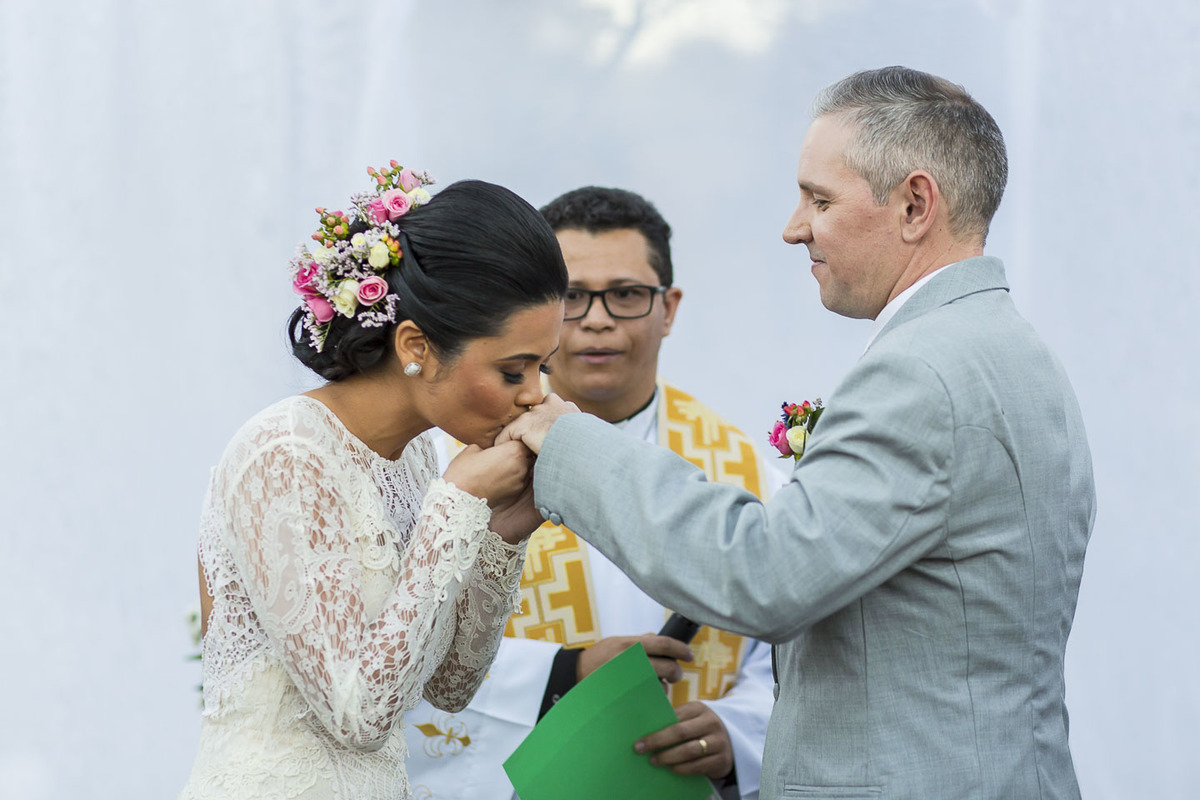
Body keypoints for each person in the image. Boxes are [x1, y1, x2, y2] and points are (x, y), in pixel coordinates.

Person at [502, 67, 1096, 800]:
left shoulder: (922, 374)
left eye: (819, 199)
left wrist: (567, 445)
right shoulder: (1007, 347)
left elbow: (762, 578)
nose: (793, 227)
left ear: (915, 204)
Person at [178, 164, 568, 800]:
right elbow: (357, 714)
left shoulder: (414, 459)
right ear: (415, 345)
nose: (536, 395)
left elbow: (448, 686)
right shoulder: (285, 452)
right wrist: (459, 504)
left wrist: (503, 531)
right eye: (513, 370)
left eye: (543, 367)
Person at [404, 187, 779, 800]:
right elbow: (398, 646)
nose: (598, 319)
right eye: (574, 297)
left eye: (627, 295)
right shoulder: (450, 467)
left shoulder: (746, 475)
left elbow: (790, 653)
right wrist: (563, 672)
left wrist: (734, 734)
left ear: (670, 308)